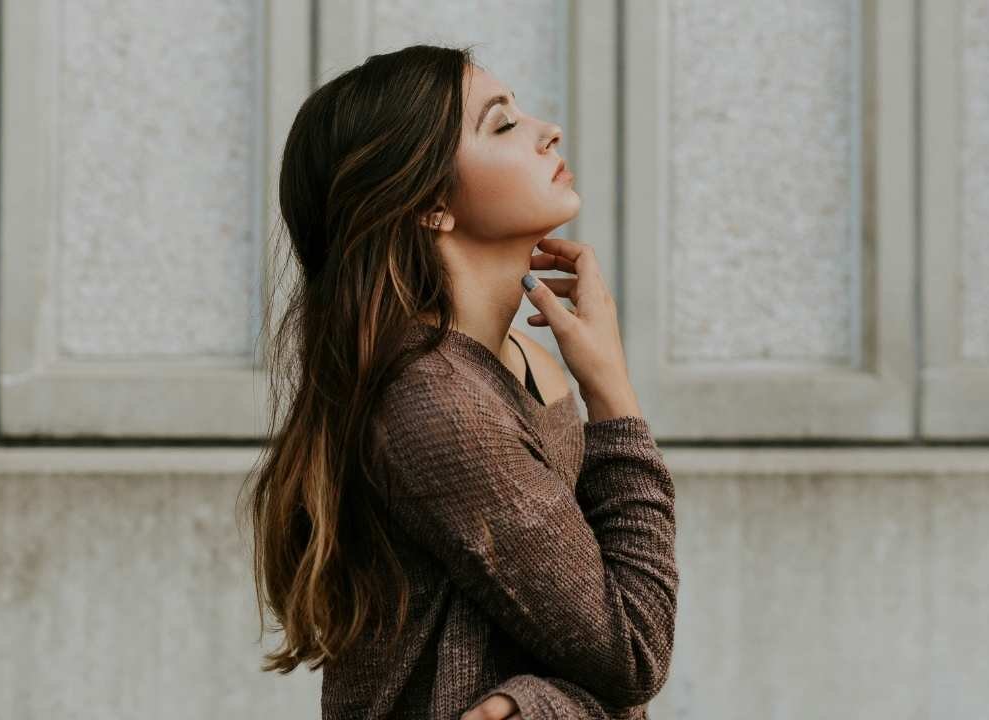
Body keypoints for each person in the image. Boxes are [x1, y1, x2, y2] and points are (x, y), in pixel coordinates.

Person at [242, 44, 678, 719]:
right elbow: (634, 651)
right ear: (429, 204)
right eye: (502, 125)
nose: (547, 130)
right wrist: (615, 399)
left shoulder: (530, 364)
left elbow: (595, 643)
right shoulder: (436, 402)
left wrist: (541, 702)